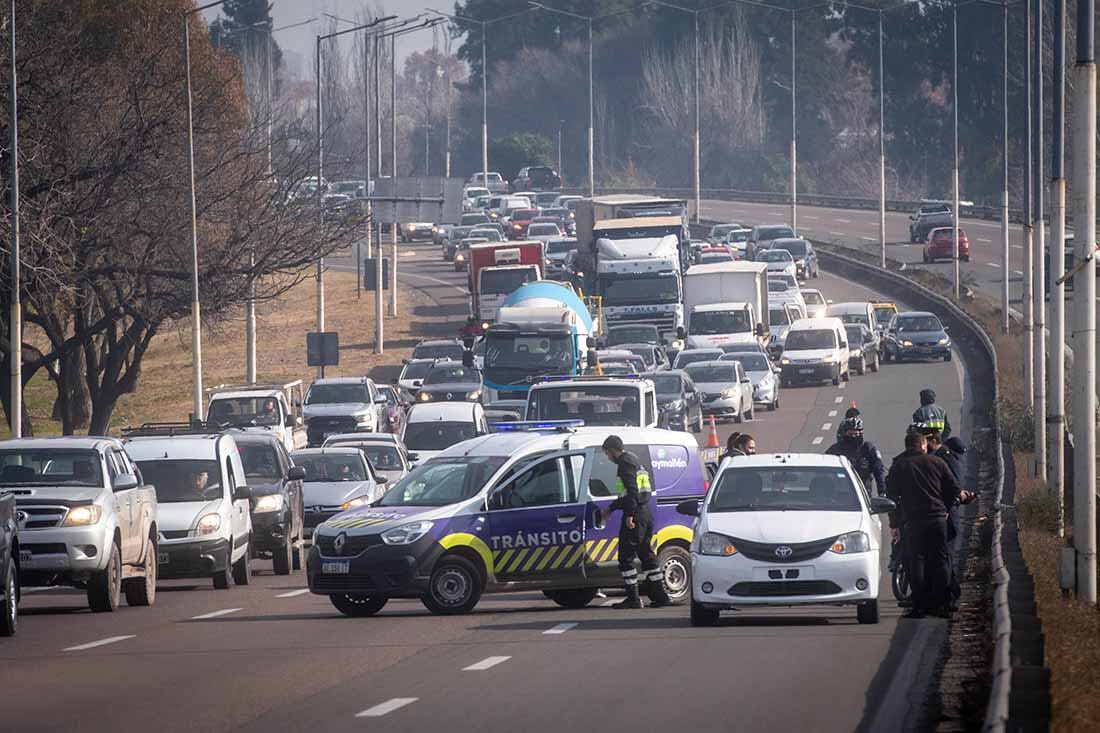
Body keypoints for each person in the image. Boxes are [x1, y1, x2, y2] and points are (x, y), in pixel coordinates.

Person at [886, 430, 962, 619]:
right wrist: (945, 507)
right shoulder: (937, 462)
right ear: (923, 445)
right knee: (940, 560)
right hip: (937, 519)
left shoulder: (899, 466)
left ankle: (919, 606)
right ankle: (943, 605)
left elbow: (892, 498)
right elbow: (954, 489)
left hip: (913, 520)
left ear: (907, 446)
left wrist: (894, 523)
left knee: (916, 562)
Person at [600, 435, 672, 609]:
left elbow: (632, 492)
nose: (608, 458)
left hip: (635, 514)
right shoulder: (635, 460)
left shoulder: (624, 464)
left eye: (607, 453)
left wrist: (629, 515)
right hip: (646, 515)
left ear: (612, 450)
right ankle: (661, 596)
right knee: (646, 554)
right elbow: (630, 493)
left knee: (625, 558)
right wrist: (611, 508)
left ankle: (633, 598)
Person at [825, 417, 887, 496]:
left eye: (856, 434)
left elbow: (879, 471)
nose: (853, 437)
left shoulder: (868, 449)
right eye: (850, 434)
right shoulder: (835, 450)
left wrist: (882, 492)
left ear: (861, 433)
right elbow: (824, 472)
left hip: (863, 493)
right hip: (839, 494)